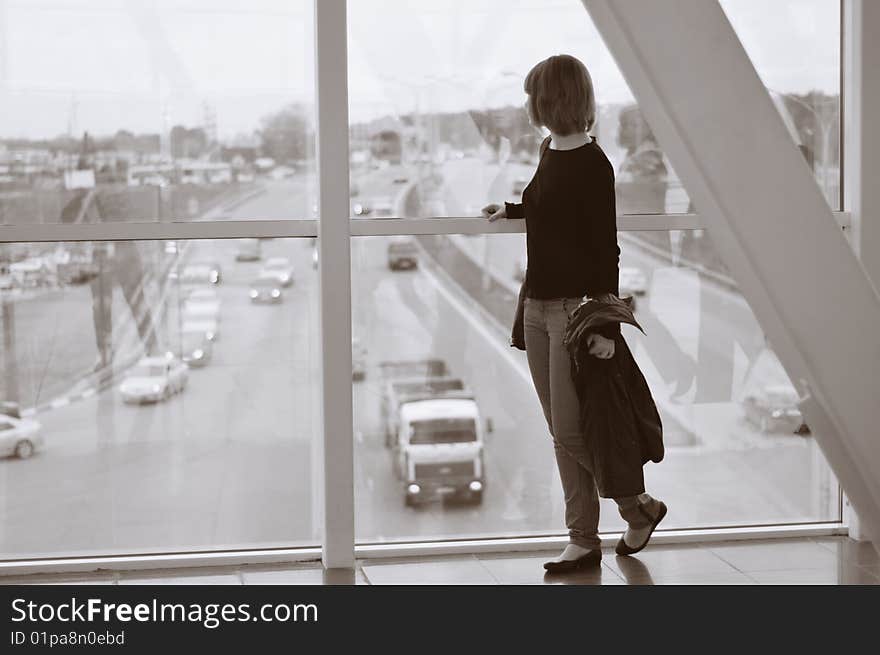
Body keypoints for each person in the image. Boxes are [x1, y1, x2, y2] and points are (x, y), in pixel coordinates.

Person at [482, 54, 666, 573]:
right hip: (536, 307)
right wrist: (513, 209)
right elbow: (550, 211)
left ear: (552, 100)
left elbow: (604, 248)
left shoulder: (594, 164)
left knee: (569, 430)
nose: (526, 105)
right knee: (559, 428)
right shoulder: (549, 150)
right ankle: (583, 537)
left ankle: (638, 507)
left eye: (531, 95)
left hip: (572, 312)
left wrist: (606, 325)